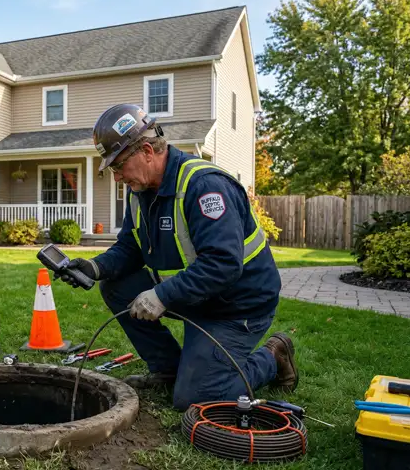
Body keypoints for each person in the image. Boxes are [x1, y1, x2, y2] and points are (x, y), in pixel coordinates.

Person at [55, 103, 297, 410]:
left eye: (118, 166)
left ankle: (272, 356)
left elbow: (223, 264)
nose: (116, 178)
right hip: (196, 298)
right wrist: (94, 267)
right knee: (116, 285)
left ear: (146, 150)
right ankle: (168, 369)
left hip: (236, 306)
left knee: (196, 398)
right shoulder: (139, 192)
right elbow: (130, 248)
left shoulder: (205, 186)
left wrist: (162, 295)